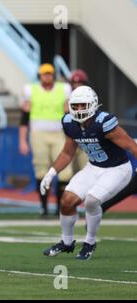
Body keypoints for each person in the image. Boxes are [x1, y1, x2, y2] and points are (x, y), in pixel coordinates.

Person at [41, 86, 137, 259]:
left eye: (83, 105)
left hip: (118, 169)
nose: (79, 109)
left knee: (91, 200)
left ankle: (90, 242)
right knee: (66, 201)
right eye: (76, 106)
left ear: (92, 104)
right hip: (93, 167)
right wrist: (51, 172)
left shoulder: (104, 122)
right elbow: (67, 153)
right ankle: (67, 242)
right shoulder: (69, 123)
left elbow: (130, 145)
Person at [19, 63, 72, 217]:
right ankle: (44, 207)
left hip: (59, 133)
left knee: (64, 170)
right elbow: (24, 118)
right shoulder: (32, 90)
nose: (47, 76)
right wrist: (22, 140)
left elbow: (68, 113)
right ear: (40, 76)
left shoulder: (63, 89)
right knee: (41, 169)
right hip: (38, 134)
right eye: (44, 74)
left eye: (49, 74)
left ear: (53, 75)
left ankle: (60, 207)